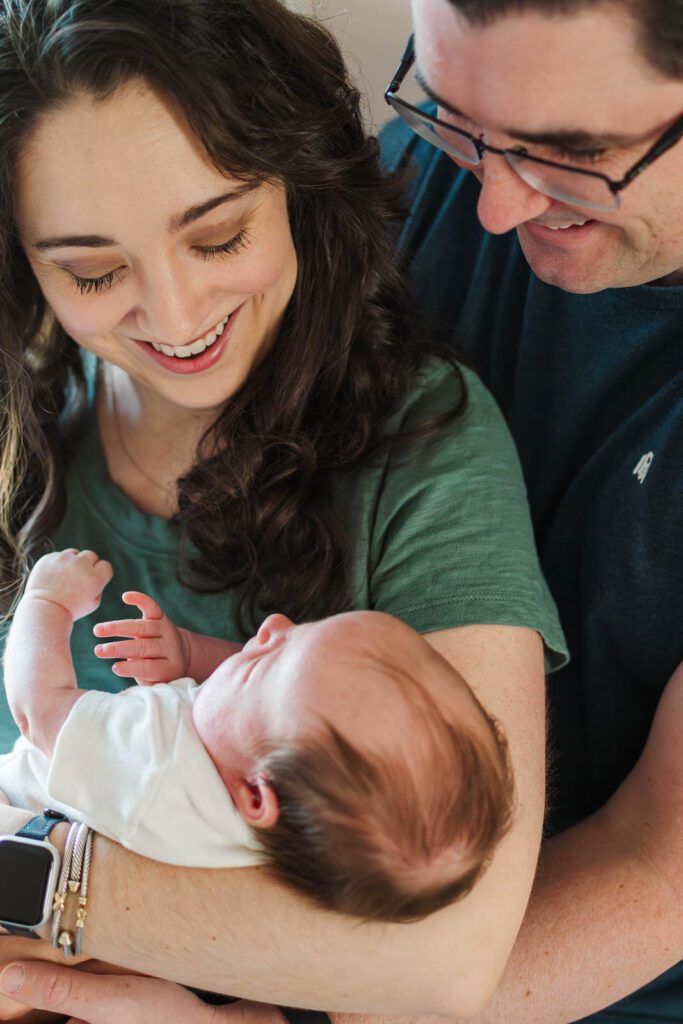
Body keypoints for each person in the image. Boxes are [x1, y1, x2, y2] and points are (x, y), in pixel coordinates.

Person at [0, 0, 567, 1021]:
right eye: (93, 270)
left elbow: (447, 953)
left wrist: (29, 896)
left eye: (216, 236)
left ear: (297, 188)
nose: (174, 318)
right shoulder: (23, 432)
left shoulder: (425, 443)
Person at [372, 1, 683, 1022]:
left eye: (571, 153)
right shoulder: (445, 167)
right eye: (452, 113)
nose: (494, 209)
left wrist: (285, 1007)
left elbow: (654, 869)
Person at [1, 547, 513, 922]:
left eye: (266, 661)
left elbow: (37, 708)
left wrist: (47, 601)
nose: (271, 625)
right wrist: (187, 654)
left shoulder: (156, 762)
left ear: (255, 793)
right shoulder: (286, 821)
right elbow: (249, 711)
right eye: (302, 631)